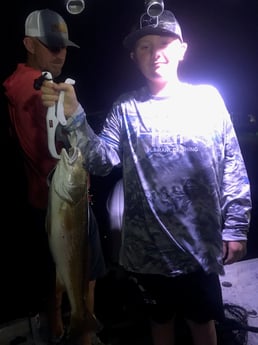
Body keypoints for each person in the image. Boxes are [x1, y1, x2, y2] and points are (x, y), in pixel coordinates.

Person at [40, 8, 252, 345]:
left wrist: (236, 228)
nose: (156, 54)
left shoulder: (208, 100)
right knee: (159, 324)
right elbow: (101, 161)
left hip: (200, 249)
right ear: (133, 56)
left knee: (203, 324)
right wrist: (74, 115)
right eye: (145, 47)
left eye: (165, 43)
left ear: (183, 48)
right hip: (146, 254)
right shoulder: (126, 108)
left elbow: (232, 167)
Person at [3, 8, 106, 345]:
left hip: (64, 199)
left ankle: (69, 330)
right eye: (51, 46)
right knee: (75, 278)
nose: (60, 53)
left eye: (63, 47)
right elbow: (50, 150)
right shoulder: (33, 87)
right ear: (28, 44)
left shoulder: (29, 83)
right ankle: (76, 334)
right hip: (58, 203)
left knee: (70, 277)